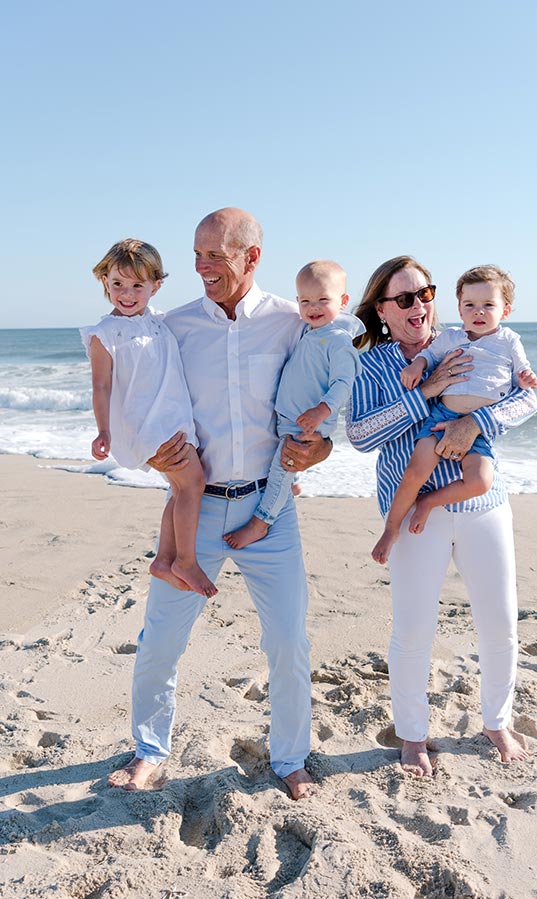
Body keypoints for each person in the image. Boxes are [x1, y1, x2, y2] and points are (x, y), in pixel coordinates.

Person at [107, 209, 330, 799]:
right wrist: (146, 452)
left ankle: (289, 758)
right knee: (161, 639)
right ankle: (150, 750)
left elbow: (326, 390)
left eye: (215, 255)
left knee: (288, 639)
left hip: (270, 511)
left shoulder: (293, 321)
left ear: (251, 256)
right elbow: (135, 390)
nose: (201, 267)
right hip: (198, 509)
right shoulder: (171, 326)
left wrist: (321, 447)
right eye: (197, 254)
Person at [347, 255, 537, 776]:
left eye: (425, 294)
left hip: (482, 507)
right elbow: (362, 436)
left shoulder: (468, 341)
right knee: (414, 630)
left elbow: (525, 401)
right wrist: (426, 394)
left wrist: (477, 422)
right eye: (405, 298)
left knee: (500, 622)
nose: (419, 306)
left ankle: (496, 721)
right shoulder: (371, 363)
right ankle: (412, 735)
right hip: (413, 516)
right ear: (382, 310)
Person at [372, 265, 537, 562]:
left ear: (506, 310)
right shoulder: (449, 338)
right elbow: (428, 357)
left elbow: (525, 393)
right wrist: (418, 371)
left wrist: (477, 421)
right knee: (414, 473)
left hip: (478, 434)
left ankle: (428, 502)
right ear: (459, 309)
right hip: (440, 417)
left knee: (480, 481)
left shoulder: (509, 341)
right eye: (470, 305)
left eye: (489, 305)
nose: (479, 312)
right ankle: (391, 529)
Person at [81, 239, 216, 598]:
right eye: (118, 285)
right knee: (193, 484)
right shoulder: (104, 334)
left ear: (156, 285)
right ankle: (185, 560)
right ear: (105, 283)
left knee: (180, 488)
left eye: (137, 285)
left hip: (172, 415)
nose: (127, 294)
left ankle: (165, 559)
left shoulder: (159, 321)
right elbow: (101, 387)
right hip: (146, 423)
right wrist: (103, 431)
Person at [225, 259, 364, 550]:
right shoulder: (310, 333)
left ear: (344, 301)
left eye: (323, 300)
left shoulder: (339, 341)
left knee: (280, 470)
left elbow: (344, 383)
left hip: (309, 422)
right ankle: (293, 482)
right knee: (285, 467)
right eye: (305, 301)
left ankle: (260, 523)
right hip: (293, 418)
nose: (313, 308)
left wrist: (322, 411)